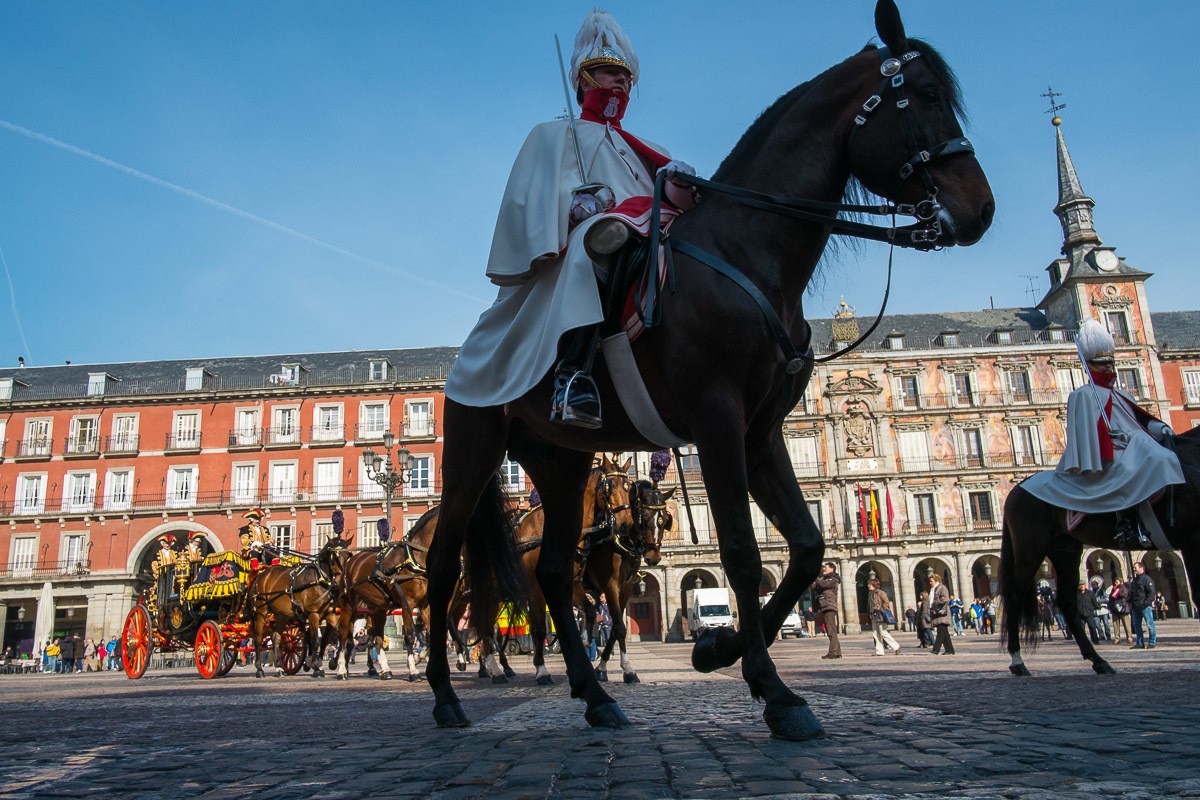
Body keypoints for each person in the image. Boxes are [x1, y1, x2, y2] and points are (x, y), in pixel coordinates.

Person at [444, 9, 698, 428]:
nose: (621, 81)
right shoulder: (552, 135)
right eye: (608, 72)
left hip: (652, 232)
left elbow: (662, 197)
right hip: (595, 237)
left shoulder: (648, 145)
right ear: (584, 81)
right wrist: (569, 208)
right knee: (597, 238)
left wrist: (677, 185)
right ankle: (572, 374)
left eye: (626, 76)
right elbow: (528, 199)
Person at [1021, 319, 1183, 550]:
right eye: (1101, 363)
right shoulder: (1083, 395)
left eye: (1110, 363)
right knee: (1128, 468)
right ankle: (1126, 522)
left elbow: (1140, 421)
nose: (1108, 368)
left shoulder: (1123, 394)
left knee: (1160, 455)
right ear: (1090, 365)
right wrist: (1106, 443)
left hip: (1133, 444)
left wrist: (1161, 428)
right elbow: (1083, 432)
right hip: (1103, 454)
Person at [810, 562, 841, 659]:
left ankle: (833, 652)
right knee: (831, 630)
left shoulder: (834, 579)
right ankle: (837, 651)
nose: (824, 569)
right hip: (824, 605)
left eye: (826, 567)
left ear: (832, 569)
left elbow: (823, 584)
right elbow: (813, 587)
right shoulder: (823, 578)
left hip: (829, 606)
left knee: (831, 630)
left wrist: (816, 577)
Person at [867, 578, 900, 656]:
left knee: (883, 632)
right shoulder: (870, 593)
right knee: (875, 633)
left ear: (873, 585)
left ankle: (896, 647)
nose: (868, 585)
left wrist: (881, 608)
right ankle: (879, 651)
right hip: (873, 615)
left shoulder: (880, 592)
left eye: (869, 584)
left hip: (880, 614)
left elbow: (886, 602)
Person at [1129, 561, 1157, 649]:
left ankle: (1152, 642)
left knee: (1149, 624)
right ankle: (1140, 643)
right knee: (1137, 626)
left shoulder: (1147, 579)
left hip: (1144, 606)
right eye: (1133, 568)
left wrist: (1146, 603)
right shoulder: (1134, 580)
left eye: (1135, 568)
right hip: (1135, 606)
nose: (1134, 569)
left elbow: (1151, 593)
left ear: (1141, 568)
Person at [928, 574, 955, 655]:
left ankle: (936, 649)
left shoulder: (942, 588)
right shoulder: (934, 589)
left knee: (941, 632)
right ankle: (950, 650)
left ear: (936, 580)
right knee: (945, 633)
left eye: (931, 581)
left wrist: (935, 602)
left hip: (942, 613)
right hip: (937, 613)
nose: (930, 583)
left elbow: (945, 599)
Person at [1109, 577, 1131, 645]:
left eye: (1117, 582)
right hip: (1115, 608)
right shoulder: (1113, 589)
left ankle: (1129, 637)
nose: (1116, 584)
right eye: (1115, 582)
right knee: (1116, 624)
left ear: (1121, 582)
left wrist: (1118, 590)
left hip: (1123, 608)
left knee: (1126, 624)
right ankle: (1117, 638)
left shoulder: (1124, 588)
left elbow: (1124, 595)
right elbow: (1111, 597)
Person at [1091, 578, 1113, 643]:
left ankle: (1108, 636)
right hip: (1095, 611)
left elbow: (1106, 599)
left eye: (1094, 584)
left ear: (1097, 585)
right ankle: (1101, 635)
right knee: (1097, 624)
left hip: (1103, 610)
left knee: (1106, 623)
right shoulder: (1091, 592)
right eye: (1092, 584)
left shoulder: (1102, 591)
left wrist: (1098, 601)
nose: (1093, 586)